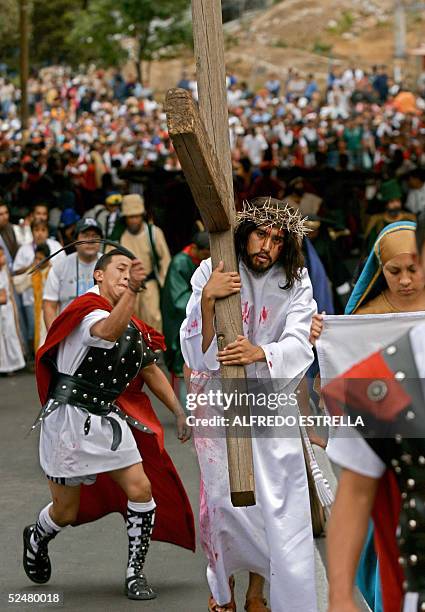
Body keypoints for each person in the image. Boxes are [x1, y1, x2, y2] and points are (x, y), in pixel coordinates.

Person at [24, 249, 195, 600]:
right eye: (118, 270)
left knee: (141, 489)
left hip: (108, 419)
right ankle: (37, 535)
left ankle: (135, 572)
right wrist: (132, 290)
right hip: (69, 422)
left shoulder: (130, 321)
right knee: (66, 512)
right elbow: (105, 331)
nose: (123, 275)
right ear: (98, 276)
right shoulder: (87, 310)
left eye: (129, 272)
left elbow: (148, 368)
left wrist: (178, 410)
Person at [180, 197, 318, 612]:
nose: (267, 247)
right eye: (261, 234)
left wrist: (260, 353)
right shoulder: (213, 269)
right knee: (222, 504)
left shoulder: (296, 280)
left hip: (269, 399)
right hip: (219, 399)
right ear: (245, 233)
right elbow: (192, 351)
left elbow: (299, 341)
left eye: (277, 240)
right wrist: (208, 299)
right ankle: (223, 589)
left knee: (273, 503)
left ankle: (259, 591)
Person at [310, 220, 425, 612]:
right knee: (393, 540)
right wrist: (324, 338)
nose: (406, 280)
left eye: (413, 269)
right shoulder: (363, 320)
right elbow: (346, 375)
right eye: (395, 271)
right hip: (394, 453)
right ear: (380, 269)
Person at [161, 232, 210, 402]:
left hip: (202, 320)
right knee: (182, 365)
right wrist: (206, 296)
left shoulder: (202, 262)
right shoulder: (179, 263)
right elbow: (179, 300)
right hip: (181, 320)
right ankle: (185, 413)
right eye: (205, 254)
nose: (208, 258)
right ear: (195, 249)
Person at [114, 194, 171, 332]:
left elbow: (165, 260)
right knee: (129, 322)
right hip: (126, 287)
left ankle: (155, 352)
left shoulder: (153, 233)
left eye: (136, 216)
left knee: (153, 319)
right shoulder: (118, 237)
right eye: (130, 217)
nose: (134, 220)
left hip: (148, 285)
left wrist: (163, 285)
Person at [43, 218, 102, 329]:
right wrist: (55, 338)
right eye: (85, 236)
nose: (90, 240)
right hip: (69, 333)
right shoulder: (59, 267)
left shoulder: (111, 266)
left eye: (95, 236)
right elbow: (49, 305)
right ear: (75, 241)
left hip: (102, 333)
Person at [0, 245, 25, 374]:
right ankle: (3, 366)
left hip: (7, 308)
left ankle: (14, 364)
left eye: (3, 255)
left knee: (10, 335)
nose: (2, 259)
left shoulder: (5, 271)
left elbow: (8, 292)